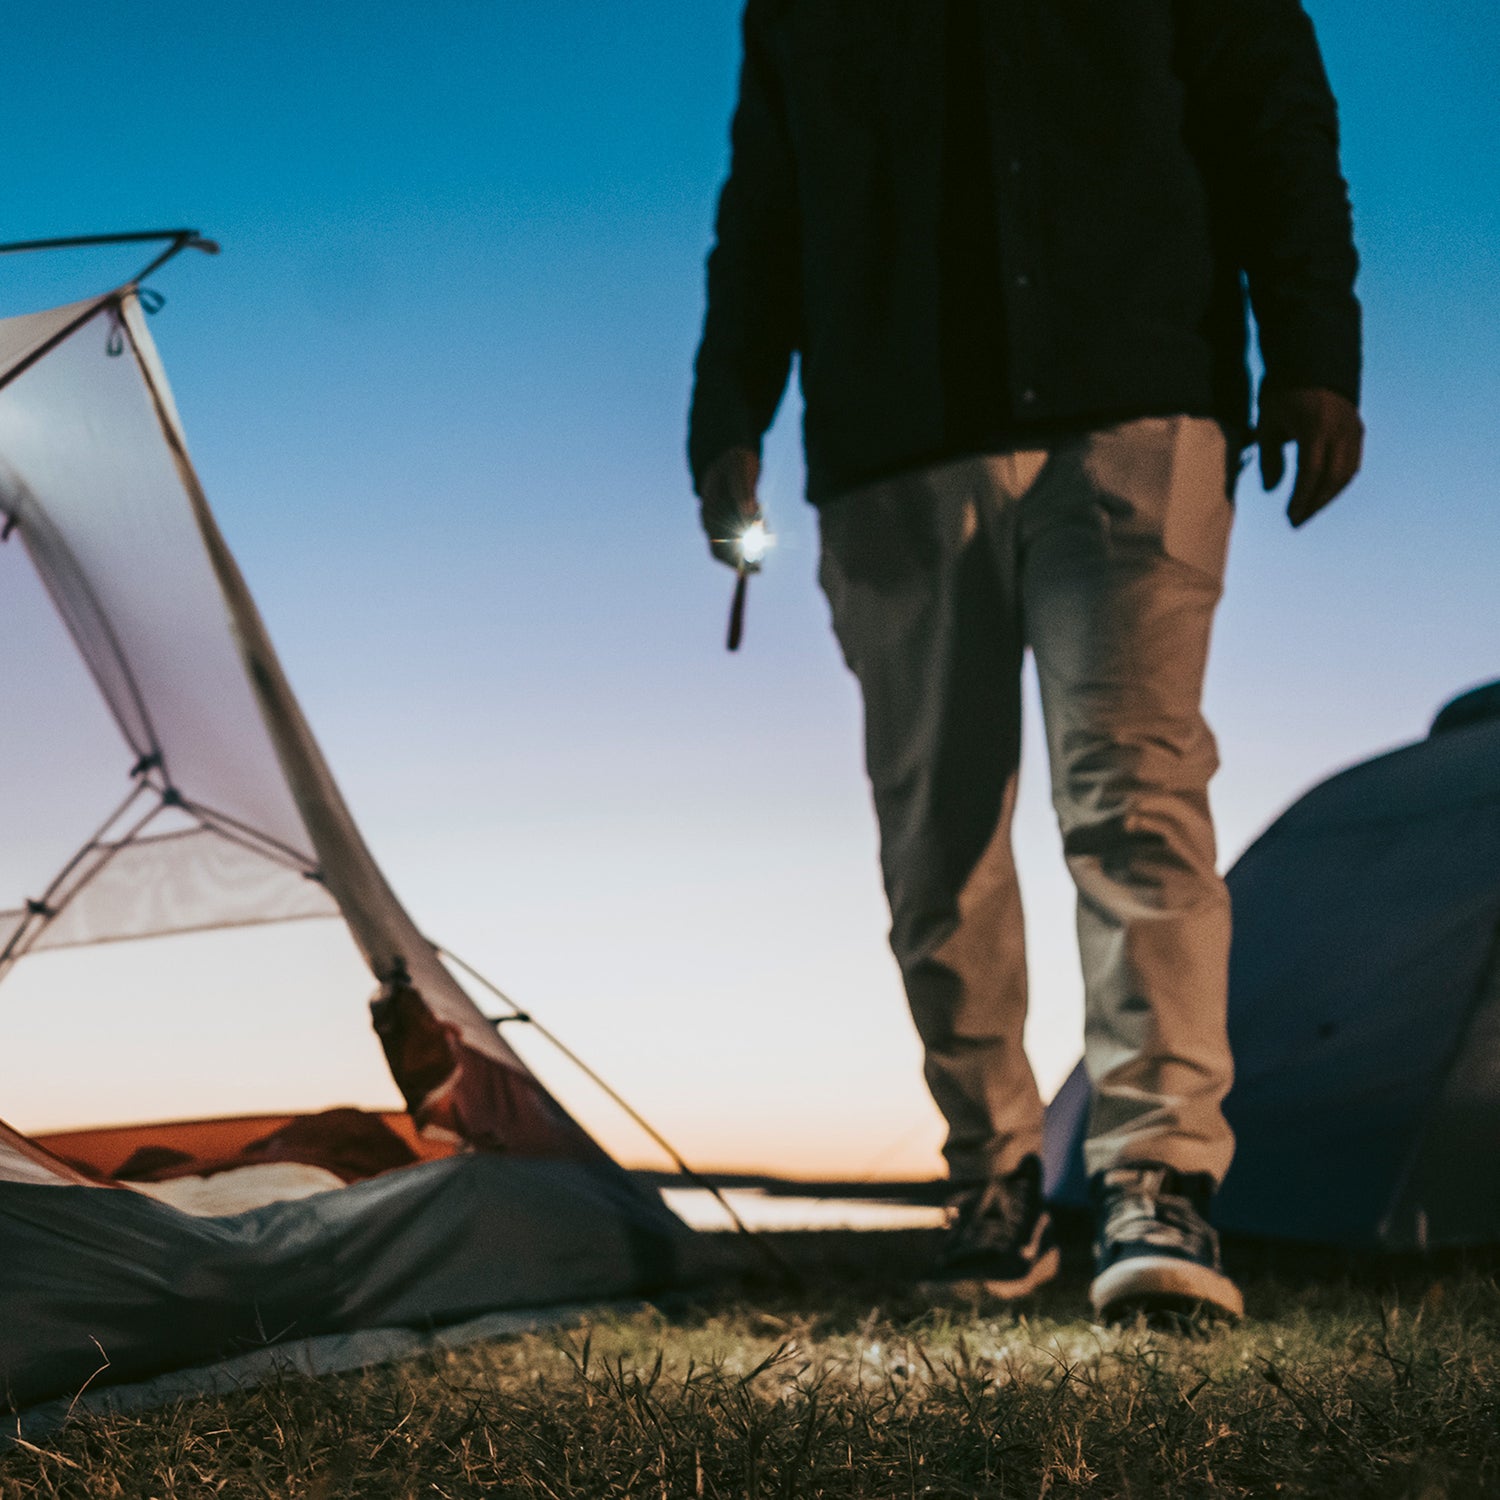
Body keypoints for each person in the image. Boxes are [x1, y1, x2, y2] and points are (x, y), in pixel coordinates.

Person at [687, 0, 1362, 1321]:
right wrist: (728, 414)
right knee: (937, 827)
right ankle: (992, 1178)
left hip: (1135, 390)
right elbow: (764, 199)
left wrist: (1315, 346)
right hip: (896, 429)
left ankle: (1157, 1180)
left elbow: (1270, 104)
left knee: (1138, 794)